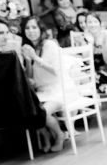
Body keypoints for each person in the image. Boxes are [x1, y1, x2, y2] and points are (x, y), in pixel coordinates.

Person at [20, 16, 75, 153]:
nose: (31, 31)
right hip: (42, 91)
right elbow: (29, 78)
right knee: (30, 110)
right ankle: (48, 136)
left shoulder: (49, 45)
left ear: (41, 29)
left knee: (41, 113)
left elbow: (56, 71)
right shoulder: (29, 48)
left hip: (59, 89)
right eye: (27, 28)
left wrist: (35, 58)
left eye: (34, 27)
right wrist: (28, 61)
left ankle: (59, 135)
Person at [85, 12, 107, 93]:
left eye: (95, 21)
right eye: (89, 22)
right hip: (90, 73)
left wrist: (103, 43)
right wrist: (90, 43)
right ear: (86, 25)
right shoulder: (85, 38)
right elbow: (87, 62)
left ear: (100, 23)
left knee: (87, 81)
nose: (92, 24)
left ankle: (93, 98)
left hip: (106, 73)